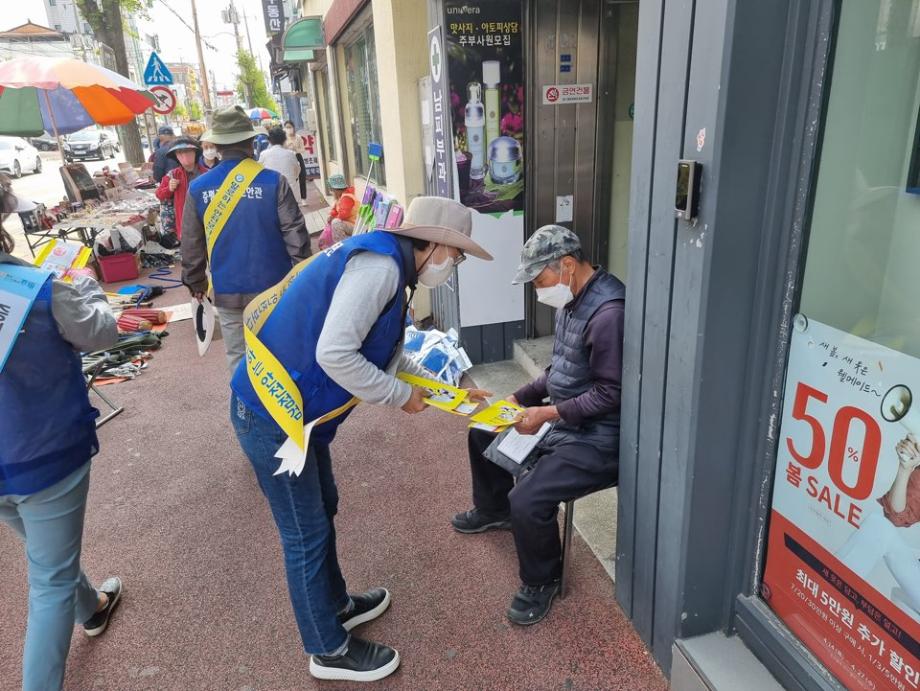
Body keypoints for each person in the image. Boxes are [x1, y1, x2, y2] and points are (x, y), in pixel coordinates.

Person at [229, 196, 493, 682]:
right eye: (454, 256)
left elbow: (388, 354)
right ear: (434, 244)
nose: (452, 266)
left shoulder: (391, 266)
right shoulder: (381, 271)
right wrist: (398, 397)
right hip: (272, 414)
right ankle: (326, 648)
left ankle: (335, 606)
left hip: (293, 412)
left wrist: (454, 390)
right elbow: (336, 355)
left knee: (322, 507)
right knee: (304, 532)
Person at [451, 224, 625, 625]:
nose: (536, 288)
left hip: (599, 438)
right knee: (483, 430)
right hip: (568, 419)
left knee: (528, 498)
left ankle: (541, 580)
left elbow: (611, 394)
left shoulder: (608, 313)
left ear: (566, 265)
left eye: (539, 278)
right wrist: (520, 398)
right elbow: (558, 372)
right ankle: (493, 510)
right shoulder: (574, 299)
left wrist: (545, 413)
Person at [0, 179, 123, 691]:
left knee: (45, 549)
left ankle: (92, 606)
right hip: (41, 449)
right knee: (48, 579)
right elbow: (101, 333)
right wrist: (88, 285)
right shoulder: (35, 289)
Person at [181, 106, 310, 372]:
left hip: (228, 291)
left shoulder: (198, 188)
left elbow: (192, 244)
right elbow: (296, 237)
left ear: (215, 145)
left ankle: (247, 412)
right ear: (252, 143)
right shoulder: (274, 182)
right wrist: (305, 281)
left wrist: (195, 282)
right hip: (276, 290)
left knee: (239, 360)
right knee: (279, 358)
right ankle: (281, 413)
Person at [154, 137, 207, 240]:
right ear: (176, 156)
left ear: (195, 153)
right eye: (179, 153)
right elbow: (159, 194)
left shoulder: (206, 173)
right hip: (184, 225)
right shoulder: (172, 175)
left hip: (206, 221)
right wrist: (169, 189)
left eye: (188, 151)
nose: (184, 155)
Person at [258, 127, 301, 203]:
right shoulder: (291, 154)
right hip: (290, 192)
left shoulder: (263, 155)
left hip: (271, 192)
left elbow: (260, 171)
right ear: (284, 140)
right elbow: (297, 171)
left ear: (269, 141)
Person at [318, 173, 358, 249]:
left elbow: (344, 214)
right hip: (349, 224)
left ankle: (343, 246)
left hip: (354, 225)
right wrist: (331, 215)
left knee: (336, 223)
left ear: (337, 190)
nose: (332, 192)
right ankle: (342, 245)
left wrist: (333, 218)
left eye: (333, 190)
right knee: (334, 222)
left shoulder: (347, 198)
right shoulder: (341, 197)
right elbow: (335, 209)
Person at [283, 120, 309, 204]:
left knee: (302, 176)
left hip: (297, 157)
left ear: (293, 127)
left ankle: (303, 198)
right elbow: (282, 149)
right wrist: (288, 148)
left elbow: (303, 149)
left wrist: (295, 149)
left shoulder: (298, 137)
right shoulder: (284, 138)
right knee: (291, 179)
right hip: (288, 158)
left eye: (290, 127)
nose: (289, 129)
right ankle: (291, 199)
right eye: (287, 127)